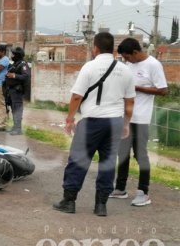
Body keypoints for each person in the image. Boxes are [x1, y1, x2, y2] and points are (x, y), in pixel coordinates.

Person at [53, 32, 135, 217]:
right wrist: (126, 124)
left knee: (78, 160)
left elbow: (76, 96)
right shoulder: (126, 70)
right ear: (113, 48)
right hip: (115, 122)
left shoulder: (89, 67)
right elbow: (130, 103)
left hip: (92, 121)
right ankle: (100, 206)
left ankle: (69, 201)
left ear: (95, 48)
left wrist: (69, 119)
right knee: (108, 162)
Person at [111, 38, 168, 206]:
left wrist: (136, 88)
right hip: (125, 118)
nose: (126, 60)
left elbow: (163, 90)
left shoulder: (153, 65)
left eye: (127, 57)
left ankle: (144, 192)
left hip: (141, 119)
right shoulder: (129, 65)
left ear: (135, 52)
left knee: (140, 155)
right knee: (122, 154)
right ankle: (120, 188)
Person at [5, 47, 30, 135]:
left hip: (17, 91)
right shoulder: (15, 64)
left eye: (14, 54)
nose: (12, 56)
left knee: (17, 110)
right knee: (13, 110)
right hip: (11, 90)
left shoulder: (23, 65)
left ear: (18, 55)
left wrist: (14, 75)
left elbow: (26, 76)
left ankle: (18, 129)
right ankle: (15, 127)